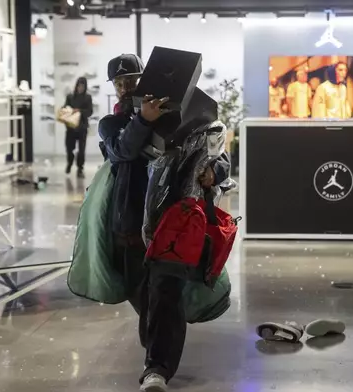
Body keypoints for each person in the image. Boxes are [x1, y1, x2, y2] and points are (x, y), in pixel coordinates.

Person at [98, 54, 229, 392]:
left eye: (133, 79)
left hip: (175, 225)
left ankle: (157, 368)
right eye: (120, 82)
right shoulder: (112, 125)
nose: (127, 86)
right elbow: (122, 151)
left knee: (166, 294)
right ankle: (156, 347)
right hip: (129, 228)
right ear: (114, 87)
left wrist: (215, 172)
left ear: (145, 79)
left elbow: (219, 153)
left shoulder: (183, 116)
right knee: (144, 298)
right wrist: (143, 119)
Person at [63, 77, 93, 178]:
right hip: (71, 127)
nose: (80, 88)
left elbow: (90, 111)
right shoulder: (70, 97)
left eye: (82, 86)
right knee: (69, 148)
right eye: (79, 86)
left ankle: (80, 168)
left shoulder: (87, 98)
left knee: (81, 149)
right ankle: (70, 163)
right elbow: (65, 108)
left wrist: (79, 111)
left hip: (82, 127)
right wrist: (69, 111)